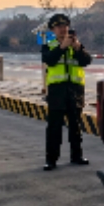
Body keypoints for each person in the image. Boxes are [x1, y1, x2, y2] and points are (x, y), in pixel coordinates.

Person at [42, 14, 91, 170]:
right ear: (53, 30)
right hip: (57, 91)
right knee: (54, 128)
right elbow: (49, 60)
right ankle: (51, 160)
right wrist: (62, 46)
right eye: (59, 27)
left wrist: (77, 48)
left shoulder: (76, 45)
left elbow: (86, 61)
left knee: (75, 126)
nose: (63, 29)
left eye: (65, 26)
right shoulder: (49, 45)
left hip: (75, 90)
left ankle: (77, 156)